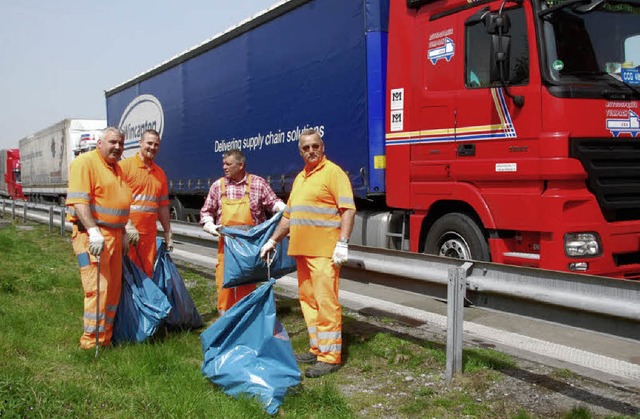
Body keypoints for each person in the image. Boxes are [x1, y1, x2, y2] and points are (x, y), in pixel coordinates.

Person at [259, 128, 356, 378]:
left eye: (315, 146)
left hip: (324, 252)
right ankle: (317, 348)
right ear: (300, 151)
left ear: (322, 148)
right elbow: (289, 216)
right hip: (303, 253)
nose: (311, 151)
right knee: (309, 302)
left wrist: (342, 243)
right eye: (306, 148)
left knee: (326, 303)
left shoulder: (333, 173)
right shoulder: (301, 178)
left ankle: (330, 356)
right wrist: (272, 240)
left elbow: (348, 210)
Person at [66, 127, 132, 349]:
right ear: (99, 143)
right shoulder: (85, 163)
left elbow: (118, 205)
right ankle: (90, 342)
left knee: (113, 289)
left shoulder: (116, 169)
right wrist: (93, 231)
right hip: (92, 237)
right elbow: (79, 201)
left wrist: (122, 232)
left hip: (114, 236)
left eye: (120, 143)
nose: (117, 147)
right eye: (112, 142)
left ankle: (105, 338)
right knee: (98, 288)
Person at [200, 149, 285, 315]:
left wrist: (284, 210)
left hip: (249, 249)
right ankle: (226, 323)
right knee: (225, 288)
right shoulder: (218, 186)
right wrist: (210, 226)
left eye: (228, 164)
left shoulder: (257, 184)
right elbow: (206, 212)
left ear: (241, 165)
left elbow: (273, 203)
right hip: (227, 247)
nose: (224, 167)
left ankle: (246, 322)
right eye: (223, 164)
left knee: (247, 287)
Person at [120, 129, 173, 277]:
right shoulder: (125, 167)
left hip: (149, 236)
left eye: (156, 145)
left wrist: (168, 232)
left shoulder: (160, 173)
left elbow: (162, 206)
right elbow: (116, 200)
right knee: (126, 276)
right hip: (127, 234)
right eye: (149, 143)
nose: (152, 147)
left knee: (145, 274)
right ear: (140, 143)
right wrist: (126, 224)